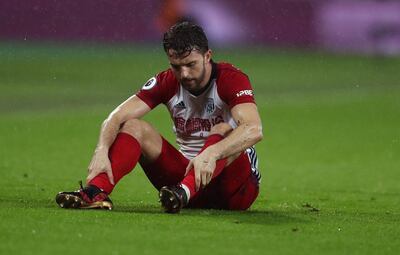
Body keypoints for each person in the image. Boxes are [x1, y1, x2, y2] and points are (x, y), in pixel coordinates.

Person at [55, 21, 263, 213]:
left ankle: (185, 191)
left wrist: (214, 153)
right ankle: (95, 192)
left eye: (191, 64)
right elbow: (116, 117)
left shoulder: (231, 79)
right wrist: (101, 149)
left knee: (224, 129)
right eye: (176, 66)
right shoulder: (167, 81)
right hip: (181, 182)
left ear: (207, 56)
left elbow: (253, 129)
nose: (184, 75)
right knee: (134, 126)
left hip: (233, 190)